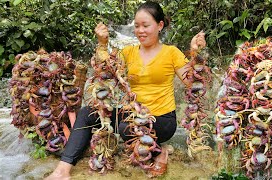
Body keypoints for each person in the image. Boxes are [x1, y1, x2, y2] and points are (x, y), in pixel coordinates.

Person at [45, 1, 206, 179]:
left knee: (126, 128)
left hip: (162, 119)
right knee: (86, 113)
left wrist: (195, 54)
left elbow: (192, 83)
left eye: (146, 25)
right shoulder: (128, 53)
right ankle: (63, 170)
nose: (140, 31)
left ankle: (160, 152)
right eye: (137, 26)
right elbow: (105, 70)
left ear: (160, 25)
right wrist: (102, 44)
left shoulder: (171, 52)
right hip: (133, 114)